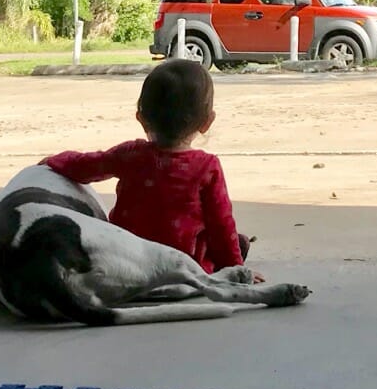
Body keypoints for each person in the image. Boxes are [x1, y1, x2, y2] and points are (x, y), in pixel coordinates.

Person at [41, 58, 255, 276]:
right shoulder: (207, 167)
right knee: (236, 241)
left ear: (141, 119)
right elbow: (221, 226)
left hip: (126, 262)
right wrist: (236, 270)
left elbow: (85, 166)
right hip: (184, 268)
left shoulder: (129, 155)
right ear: (207, 122)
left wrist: (55, 160)